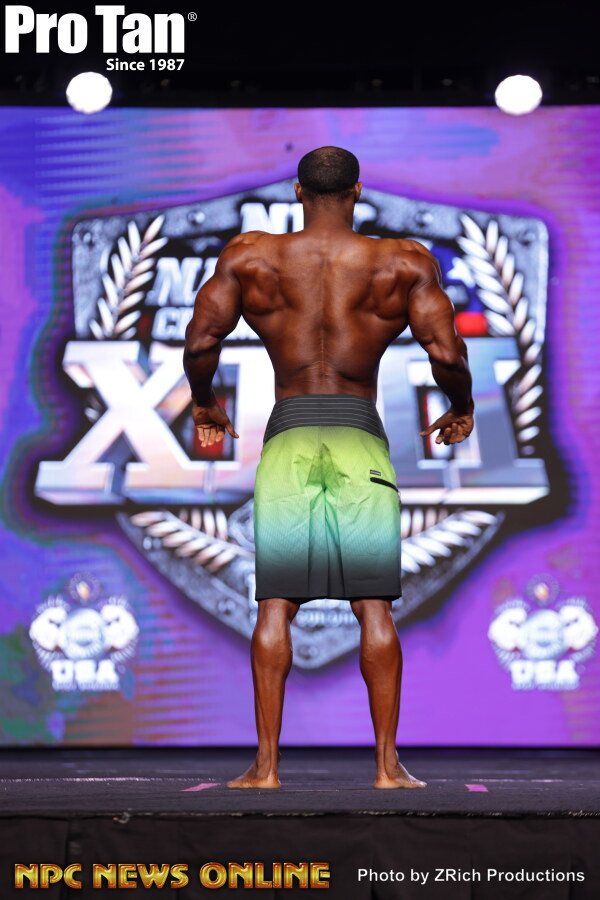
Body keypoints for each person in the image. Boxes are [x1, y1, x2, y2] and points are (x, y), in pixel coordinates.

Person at [183, 146, 474, 789]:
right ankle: (386, 768)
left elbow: (202, 340)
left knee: (275, 605)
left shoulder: (251, 257)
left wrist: (204, 402)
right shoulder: (402, 263)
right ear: (358, 191)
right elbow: (447, 355)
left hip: (290, 437)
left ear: (297, 191)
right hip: (357, 437)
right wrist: (462, 407)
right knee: (373, 607)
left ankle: (265, 768)